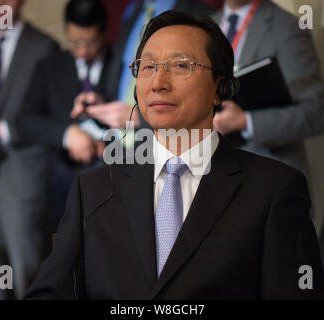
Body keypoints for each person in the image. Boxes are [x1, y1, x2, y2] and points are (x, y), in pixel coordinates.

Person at [26, 10, 324, 299]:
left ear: (220, 88)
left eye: (181, 65)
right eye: (147, 67)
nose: (158, 83)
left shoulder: (273, 190)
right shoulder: (92, 190)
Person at [71, 0, 217, 144]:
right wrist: (102, 104)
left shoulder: (205, 17)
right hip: (121, 148)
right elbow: (124, 79)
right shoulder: (133, 12)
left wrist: (141, 117)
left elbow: (205, 100)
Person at [16, 0, 108, 222]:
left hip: (112, 177)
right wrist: (67, 134)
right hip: (62, 180)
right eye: (75, 42)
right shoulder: (49, 68)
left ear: (104, 33)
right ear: (66, 30)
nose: (83, 51)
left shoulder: (122, 63)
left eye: (91, 42)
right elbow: (24, 121)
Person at [0, 0, 59, 299]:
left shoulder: (45, 48)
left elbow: (54, 118)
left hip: (22, 174)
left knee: (25, 270)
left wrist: (3, 130)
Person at [211, 0, 324, 174]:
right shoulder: (203, 26)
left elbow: (316, 112)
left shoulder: (287, 26)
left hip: (271, 175)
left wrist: (245, 121)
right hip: (215, 173)